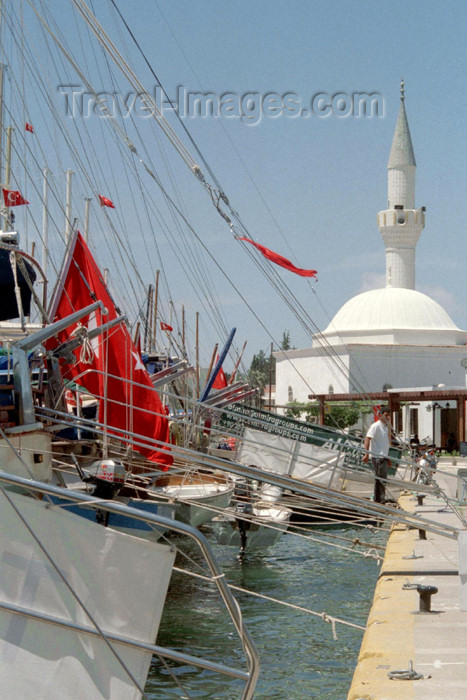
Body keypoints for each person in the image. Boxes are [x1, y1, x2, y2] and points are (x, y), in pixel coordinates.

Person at [363, 406, 392, 503]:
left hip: (383, 457)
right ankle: (379, 499)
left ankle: (380, 498)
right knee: (380, 480)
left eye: (389, 416)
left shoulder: (385, 427)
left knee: (382, 479)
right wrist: (366, 454)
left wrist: (388, 458)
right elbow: (367, 439)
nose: (387, 418)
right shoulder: (376, 426)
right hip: (377, 457)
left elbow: (385, 444)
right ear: (380, 415)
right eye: (386, 415)